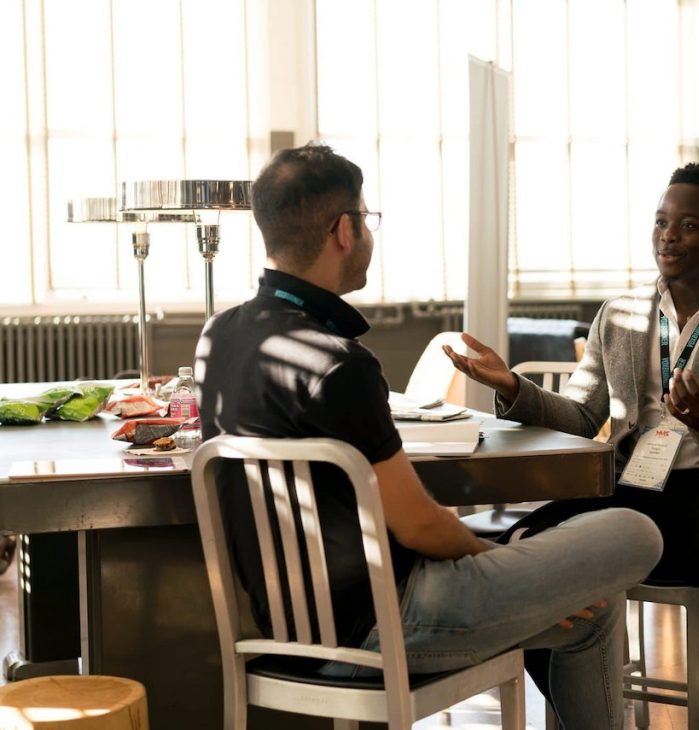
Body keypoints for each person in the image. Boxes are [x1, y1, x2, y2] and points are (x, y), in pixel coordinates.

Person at [194, 143, 663, 730]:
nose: (368, 233)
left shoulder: (219, 336)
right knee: (634, 530)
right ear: (344, 230)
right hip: (390, 626)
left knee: (592, 608)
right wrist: (500, 559)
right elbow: (416, 523)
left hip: (283, 633)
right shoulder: (340, 363)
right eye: (367, 219)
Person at [445, 162, 699, 729]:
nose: (668, 235)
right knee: (530, 543)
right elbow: (585, 415)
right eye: (661, 222)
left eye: (688, 224)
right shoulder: (617, 315)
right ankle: (581, 712)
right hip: (634, 485)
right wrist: (514, 388)